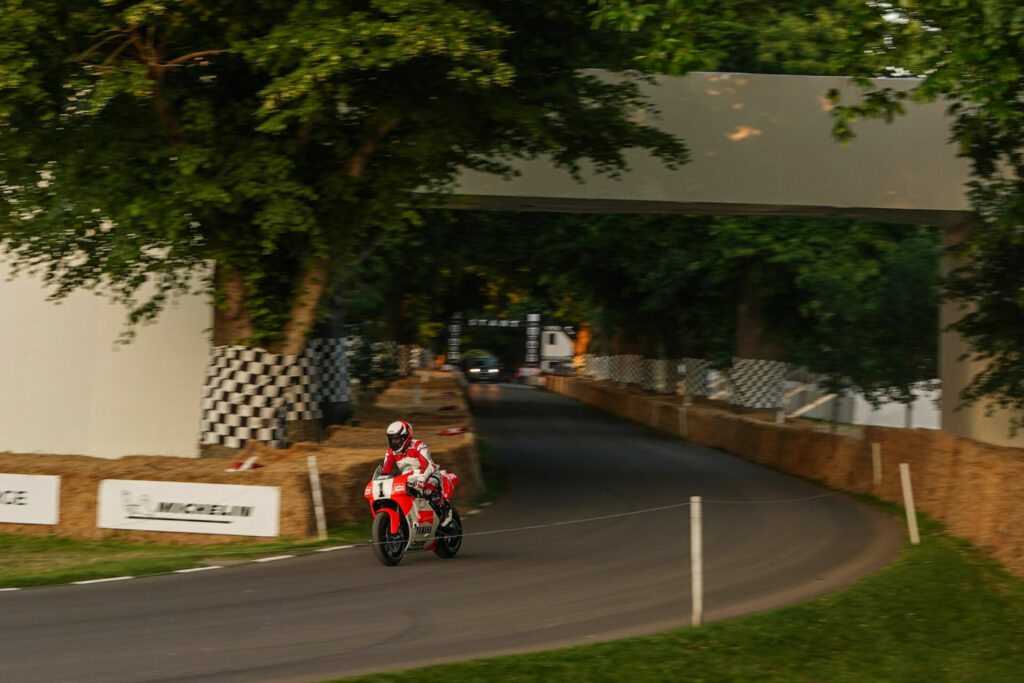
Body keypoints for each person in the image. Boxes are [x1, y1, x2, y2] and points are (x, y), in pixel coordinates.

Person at [381, 420, 453, 526]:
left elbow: (429, 465)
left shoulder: (418, 446)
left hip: (429, 474)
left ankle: (446, 508)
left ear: (405, 437)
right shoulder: (390, 452)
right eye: (391, 440)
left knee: (427, 489)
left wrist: (422, 479)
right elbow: (385, 471)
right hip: (408, 478)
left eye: (396, 439)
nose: (394, 443)